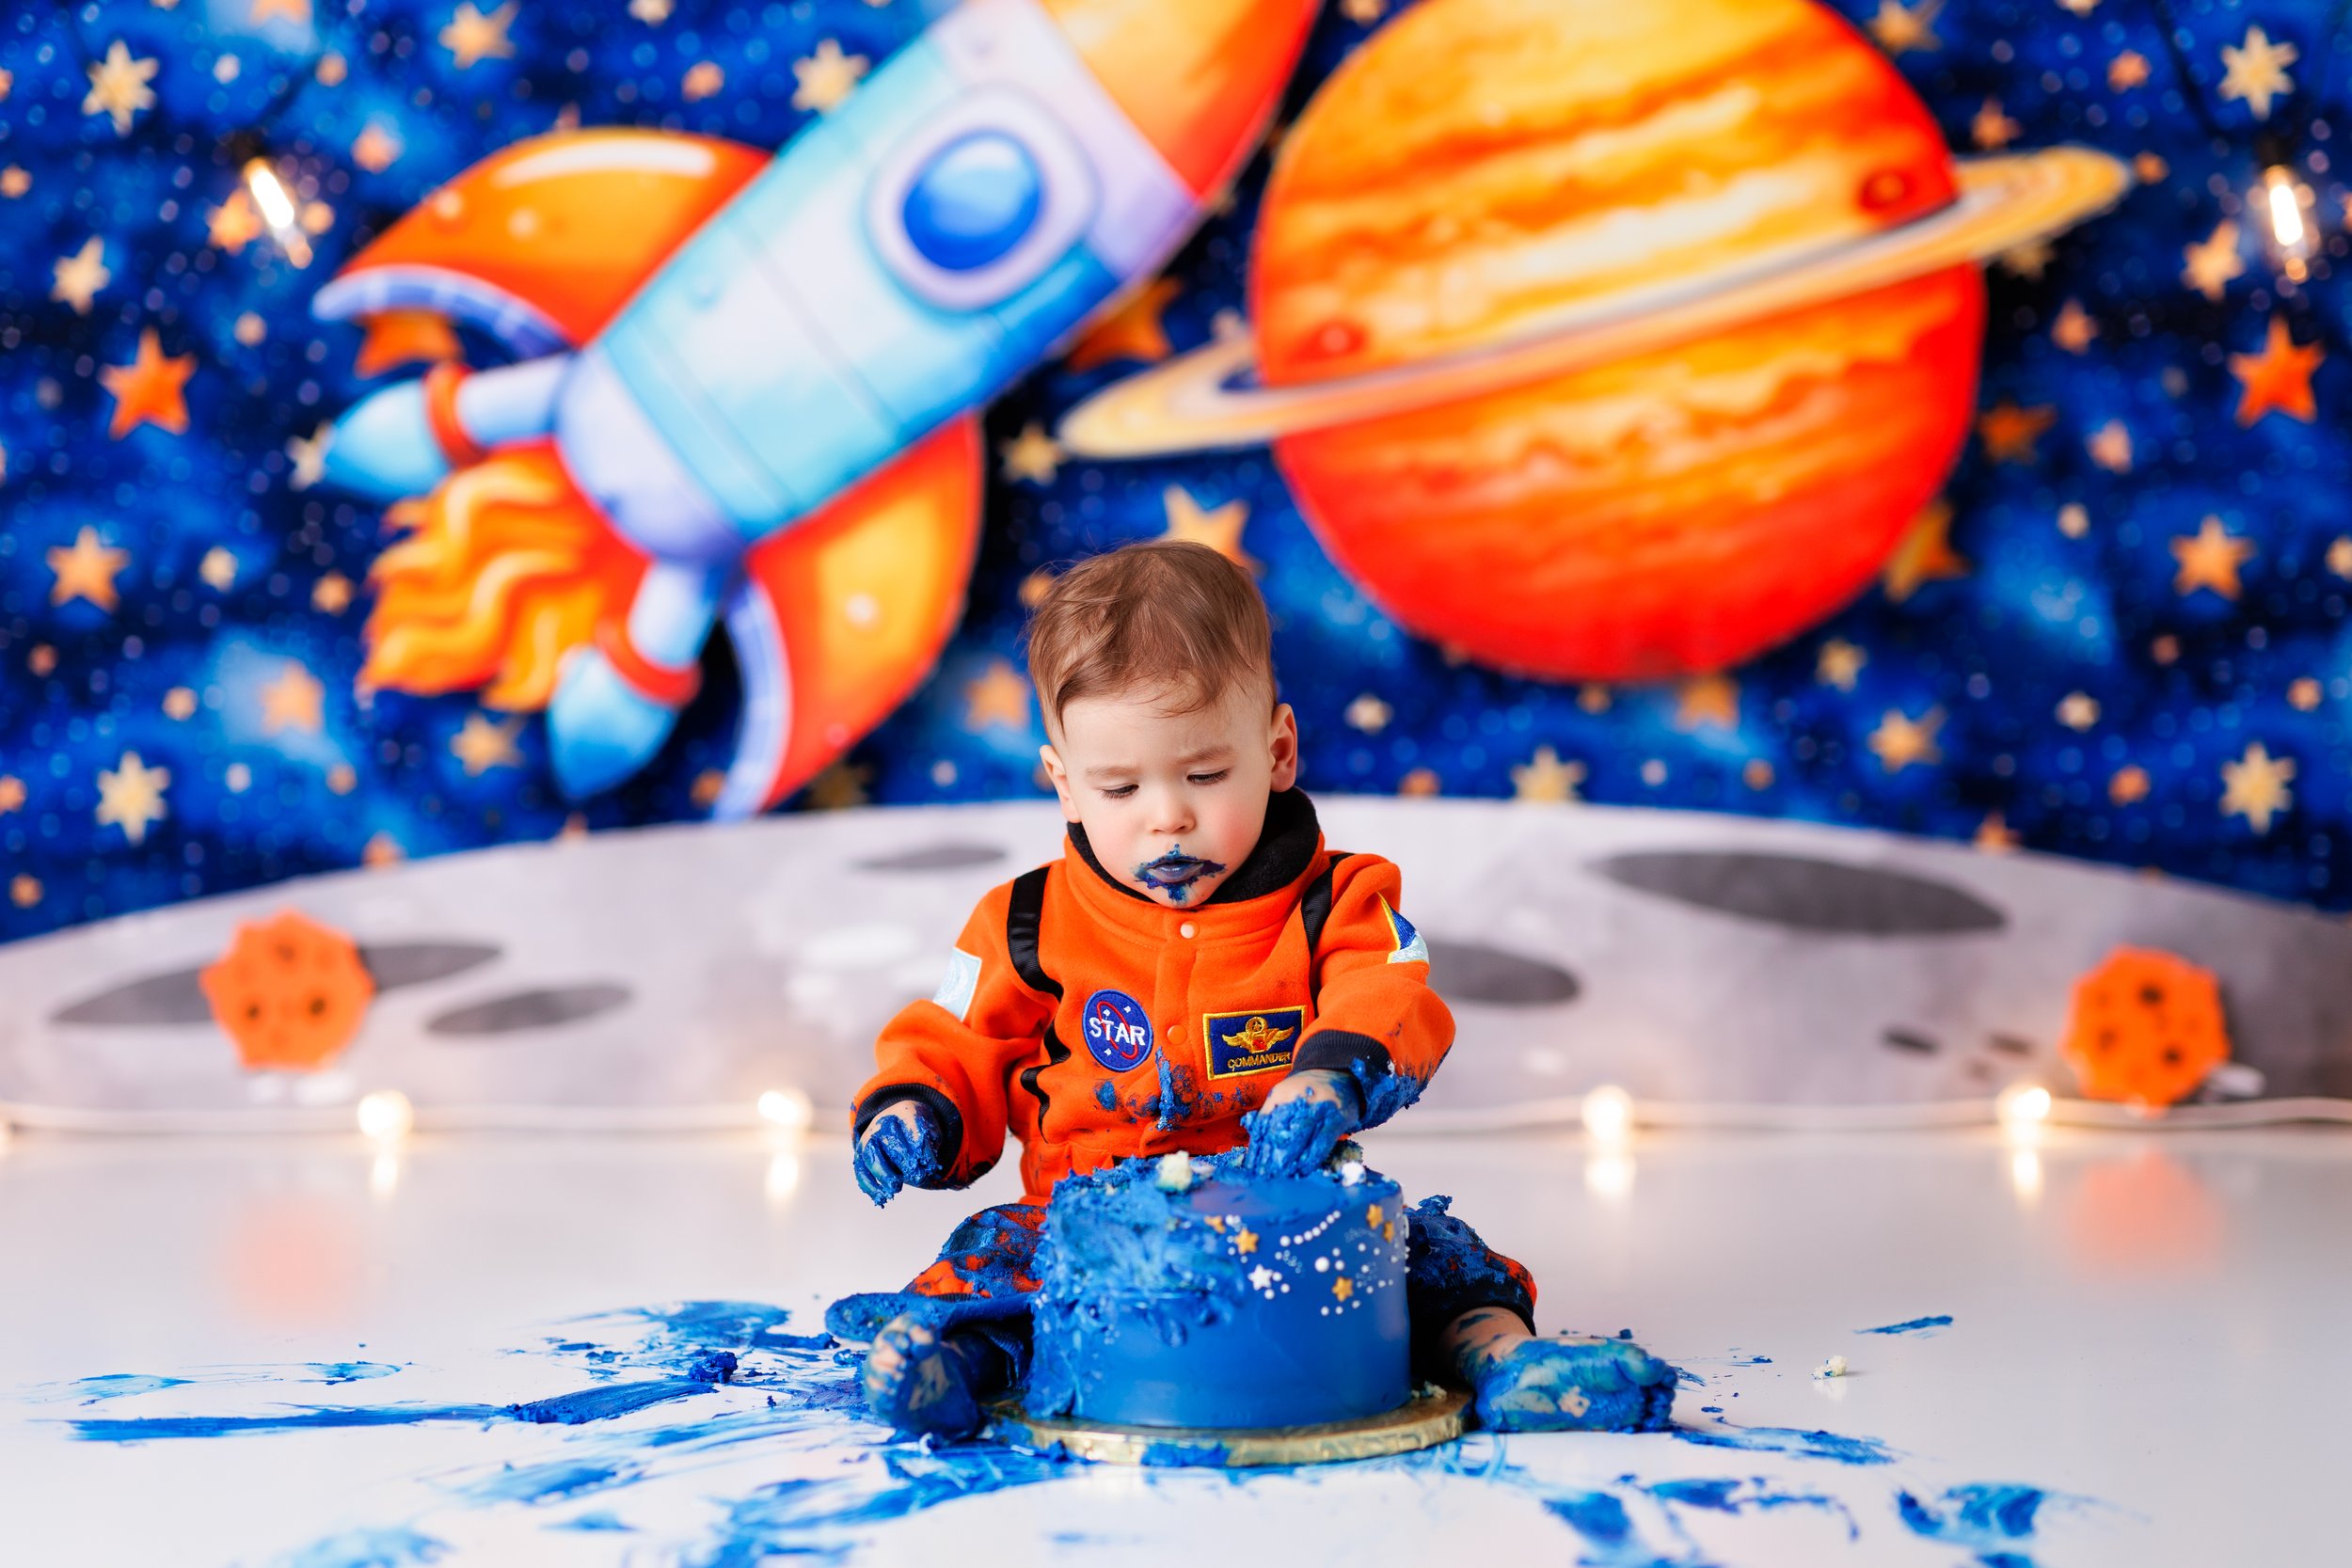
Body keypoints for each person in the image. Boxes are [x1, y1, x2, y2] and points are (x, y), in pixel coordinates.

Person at [829, 540, 1674, 1438]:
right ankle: (945, 1371)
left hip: (1288, 1207)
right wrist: (915, 1111)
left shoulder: (1334, 900)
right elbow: (958, 1036)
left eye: (1204, 775)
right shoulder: (1026, 919)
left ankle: (1507, 1365)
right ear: (1064, 784)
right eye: (1121, 787)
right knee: (993, 1279)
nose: (1168, 816)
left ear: (1276, 751)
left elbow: (1391, 991)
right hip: (1079, 1214)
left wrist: (1332, 1076)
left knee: (1438, 1271)